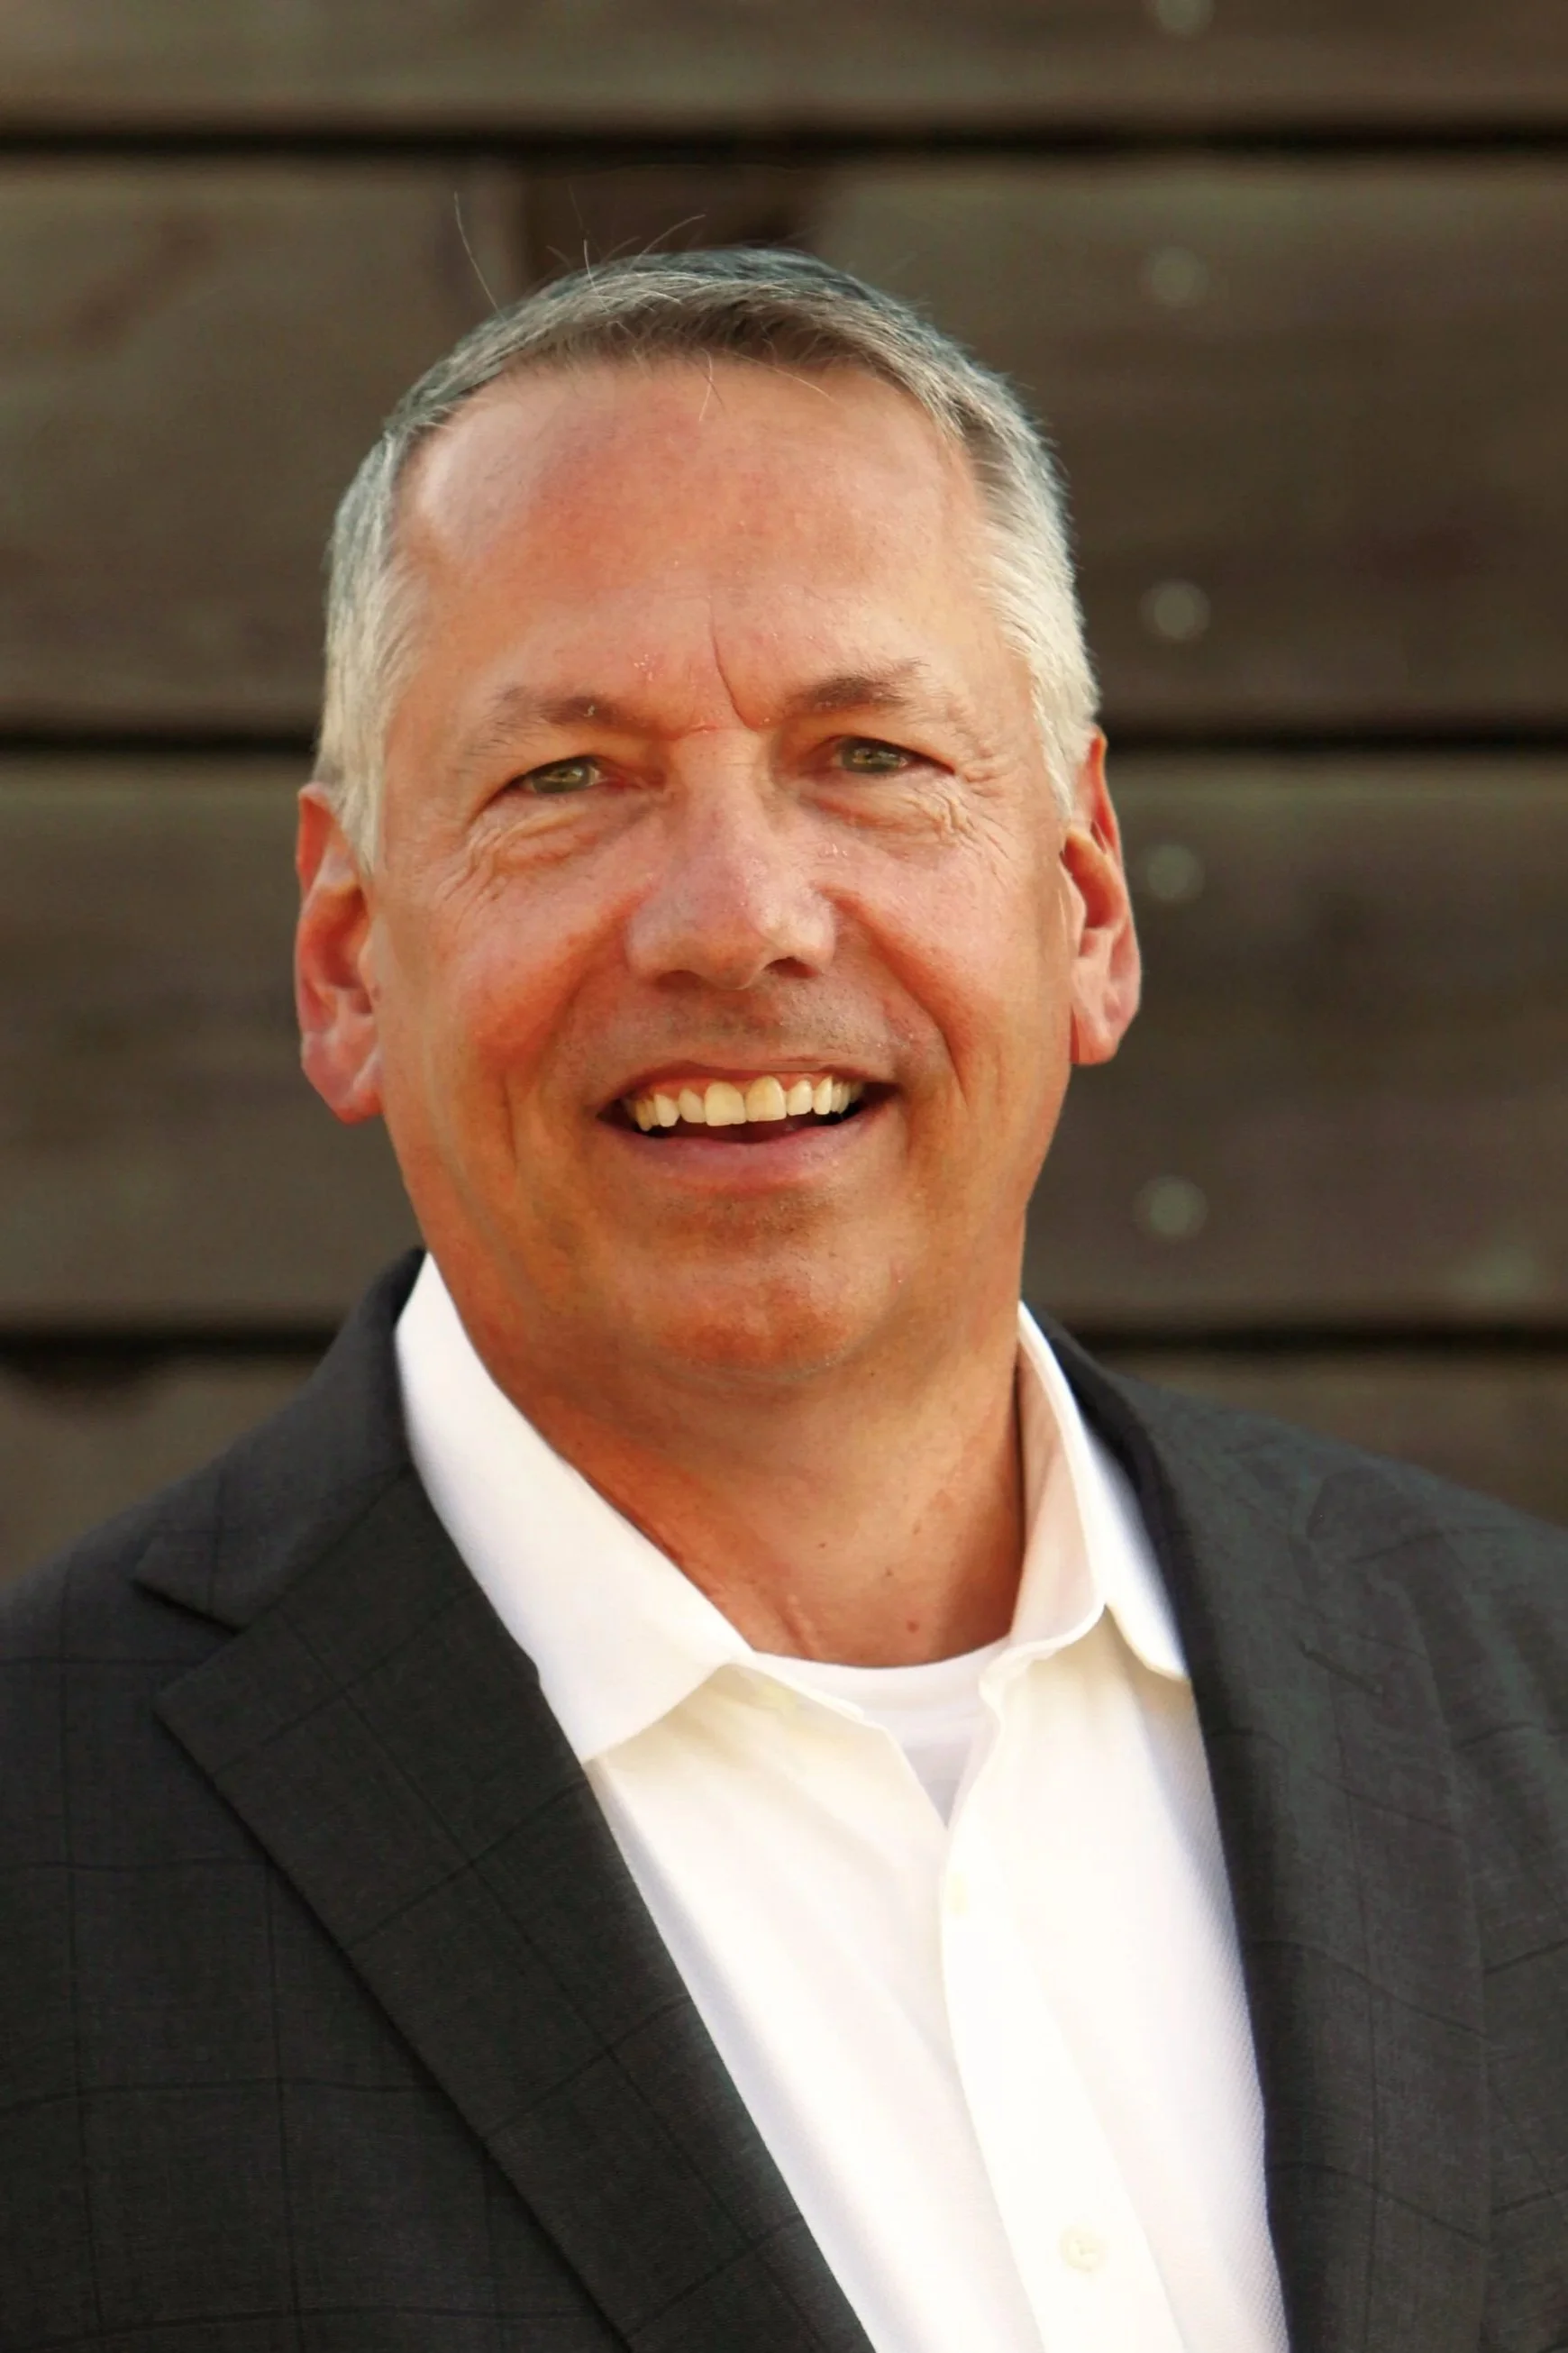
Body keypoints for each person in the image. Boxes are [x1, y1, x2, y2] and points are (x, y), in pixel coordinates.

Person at [1, 249, 1563, 2353]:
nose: (740, 918)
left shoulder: (1526, 1705)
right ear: (349, 960)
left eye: (871, 756)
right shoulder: (43, 1863)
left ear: (1087, 905)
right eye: (565, 779)